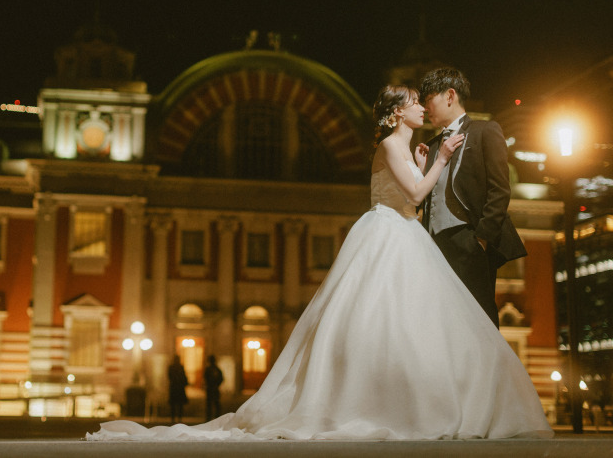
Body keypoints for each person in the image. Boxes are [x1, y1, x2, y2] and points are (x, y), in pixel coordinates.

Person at [88, 85, 552, 441]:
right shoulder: (391, 145)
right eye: (414, 102)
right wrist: (440, 160)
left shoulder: (405, 147)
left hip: (404, 234)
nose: (421, 109)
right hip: (391, 233)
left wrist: (424, 161)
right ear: (396, 112)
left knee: (409, 322)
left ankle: (419, 399)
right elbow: (414, 194)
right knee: (386, 319)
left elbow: (414, 193)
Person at [419, 67, 527, 328]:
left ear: (450, 95)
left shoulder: (484, 130)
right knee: (441, 321)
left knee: (479, 320)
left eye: (429, 99)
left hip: (471, 240)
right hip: (434, 246)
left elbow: (499, 190)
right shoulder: (431, 147)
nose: (425, 108)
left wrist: (481, 239)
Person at [167, 355, 188, 423]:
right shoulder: (180, 367)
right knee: (179, 404)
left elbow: (169, 376)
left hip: (174, 387)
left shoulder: (172, 367)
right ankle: (179, 418)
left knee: (174, 405)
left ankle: (173, 418)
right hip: (179, 388)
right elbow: (183, 376)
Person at [203, 355, 224, 421]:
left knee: (209, 404)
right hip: (215, 389)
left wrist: (209, 384)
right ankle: (217, 418)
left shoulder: (208, 369)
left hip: (210, 389)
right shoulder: (217, 369)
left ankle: (209, 418)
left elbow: (205, 378)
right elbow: (221, 379)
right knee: (216, 404)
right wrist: (217, 385)